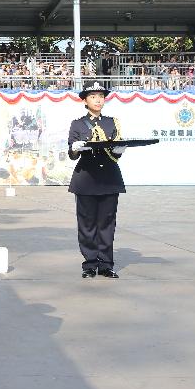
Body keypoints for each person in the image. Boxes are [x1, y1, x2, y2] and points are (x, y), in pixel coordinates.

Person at [67, 82, 126, 279]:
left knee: (107, 223)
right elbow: (72, 154)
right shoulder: (77, 124)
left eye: (101, 96)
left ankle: (106, 264)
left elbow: (115, 153)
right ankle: (90, 264)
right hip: (86, 179)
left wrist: (119, 150)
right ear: (84, 100)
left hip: (109, 178)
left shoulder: (112, 123)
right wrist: (75, 148)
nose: (98, 99)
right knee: (87, 223)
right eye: (93, 96)